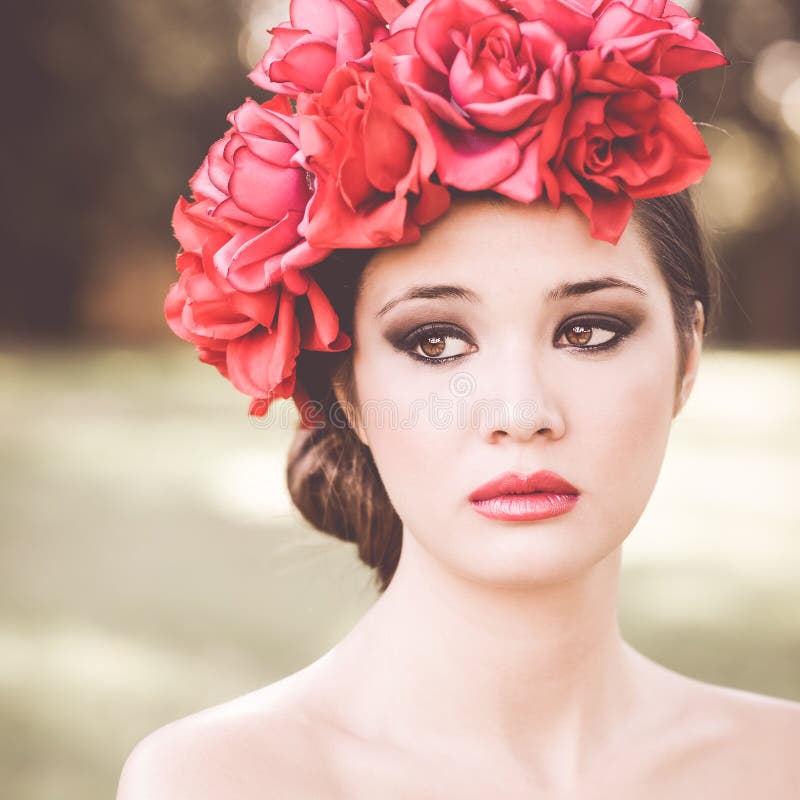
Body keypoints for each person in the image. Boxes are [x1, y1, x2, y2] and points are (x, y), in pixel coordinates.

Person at [118, 1, 800, 797]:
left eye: (588, 331)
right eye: (434, 340)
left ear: (688, 353)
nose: (520, 411)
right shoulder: (215, 784)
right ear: (349, 390)